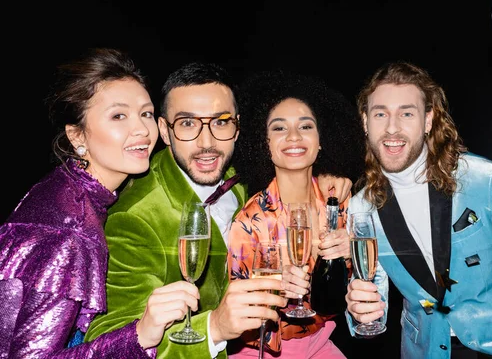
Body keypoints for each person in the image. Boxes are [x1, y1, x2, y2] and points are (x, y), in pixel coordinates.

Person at [85, 62, 353, 358]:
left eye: (220, 122)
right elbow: (108, 340)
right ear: (164, 130)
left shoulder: (241, 175)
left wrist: (329, 178)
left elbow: (292, 168)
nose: (207, 143)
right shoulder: (134, 218)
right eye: (187, 123)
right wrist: (213, 328)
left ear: (238, 128)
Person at [344, 61, 492, 359]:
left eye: (406, 113)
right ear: (365, 121)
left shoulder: (483, 180)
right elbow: (374, 296)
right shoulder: (361, 205)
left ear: (427, 120)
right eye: (380, 113)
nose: (392, 128)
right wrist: (360, 310)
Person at [0, 48, 200, 358]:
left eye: (146, 113)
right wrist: (140, 334)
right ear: (77, 136)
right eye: (118, 115)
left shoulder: (66, 190)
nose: (142, 130)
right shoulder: (69, 232)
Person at [227, 70, 365, 358]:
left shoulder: (340, 205)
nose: (293, 136)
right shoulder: (249, 221)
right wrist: (277, 289)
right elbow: (238, 311)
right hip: (262, 350)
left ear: (320, 140)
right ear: (264, 143)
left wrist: (351, 253)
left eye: (305, 126)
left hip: (322, 342)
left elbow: (361, 283)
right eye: (279, 128)